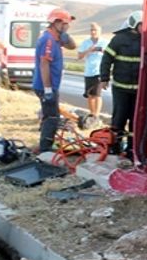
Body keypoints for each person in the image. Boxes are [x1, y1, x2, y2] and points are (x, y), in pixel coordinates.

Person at [33, 8, 77, 152]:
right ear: (56, 23)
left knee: (51, 116)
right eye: (65, 24)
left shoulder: (57, 38)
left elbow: (73, 46)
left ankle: (45, 145)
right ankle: (45, 149)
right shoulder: (49, 40)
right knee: (52, 118)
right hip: (46, 85)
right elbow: (44, 64)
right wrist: (47, 89)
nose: (67, 26)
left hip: (51, 85)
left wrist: (67, 37)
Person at [100, 10, 142, 154]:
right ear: (134, 24)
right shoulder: (118, 39)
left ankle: (132, 148)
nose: (144, 28)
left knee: (135, 120)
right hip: (120, 89)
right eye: (141, 25)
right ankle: (114, 146)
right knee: (119, 118)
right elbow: (106, 59)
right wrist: (104, 78)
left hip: (138, 90)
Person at [77, 22, 106, 120]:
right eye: (92, 30)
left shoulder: (104, 42)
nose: (93, 32)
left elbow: (110, 54)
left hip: (99, 71)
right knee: (89, 95)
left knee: (97, 94)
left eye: (95, 30)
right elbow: (79, 56)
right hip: (89, 71)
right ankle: (92, 114)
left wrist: (102, 50)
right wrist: (89, 50)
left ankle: (96, 115)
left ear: (100, 31)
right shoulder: (86, 43)